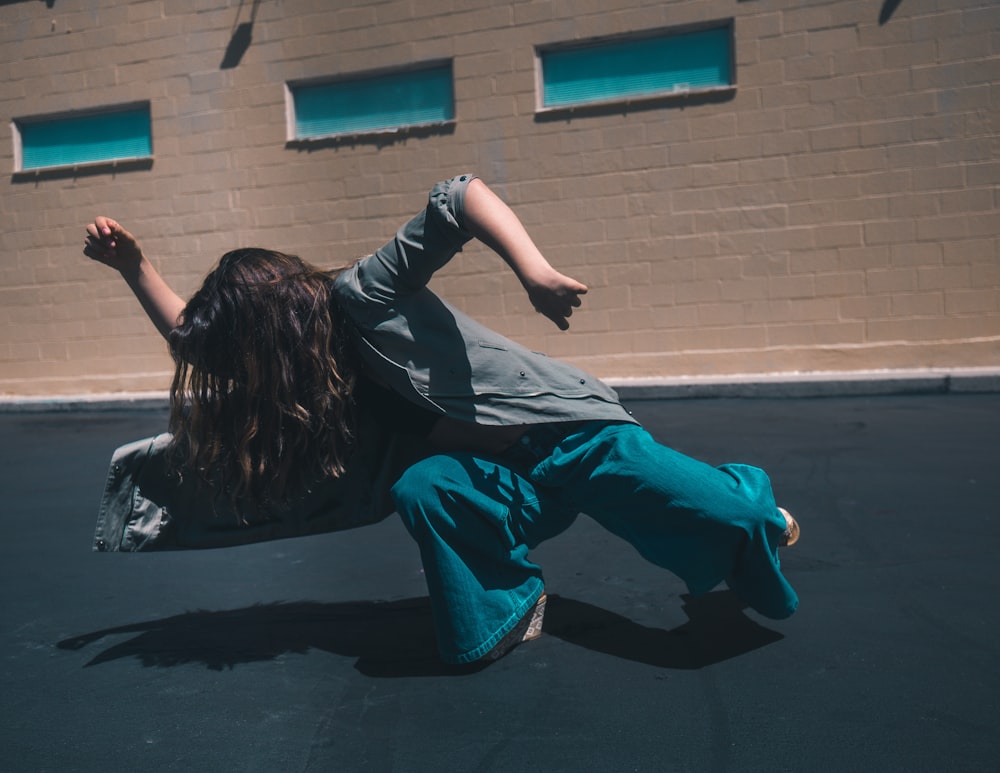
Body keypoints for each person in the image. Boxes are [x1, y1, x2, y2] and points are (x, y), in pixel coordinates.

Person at [85, 173, 799, 666]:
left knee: (726, 522)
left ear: (275, 330)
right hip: (495, 478)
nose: (243, 367)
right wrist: (133, 266)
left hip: (570, 437)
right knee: (423, 486)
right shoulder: (309, 374)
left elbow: (459, 197)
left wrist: (534, 270)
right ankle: (509, 605)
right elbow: (194, 339)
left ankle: (745, 494)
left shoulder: (363, 293)